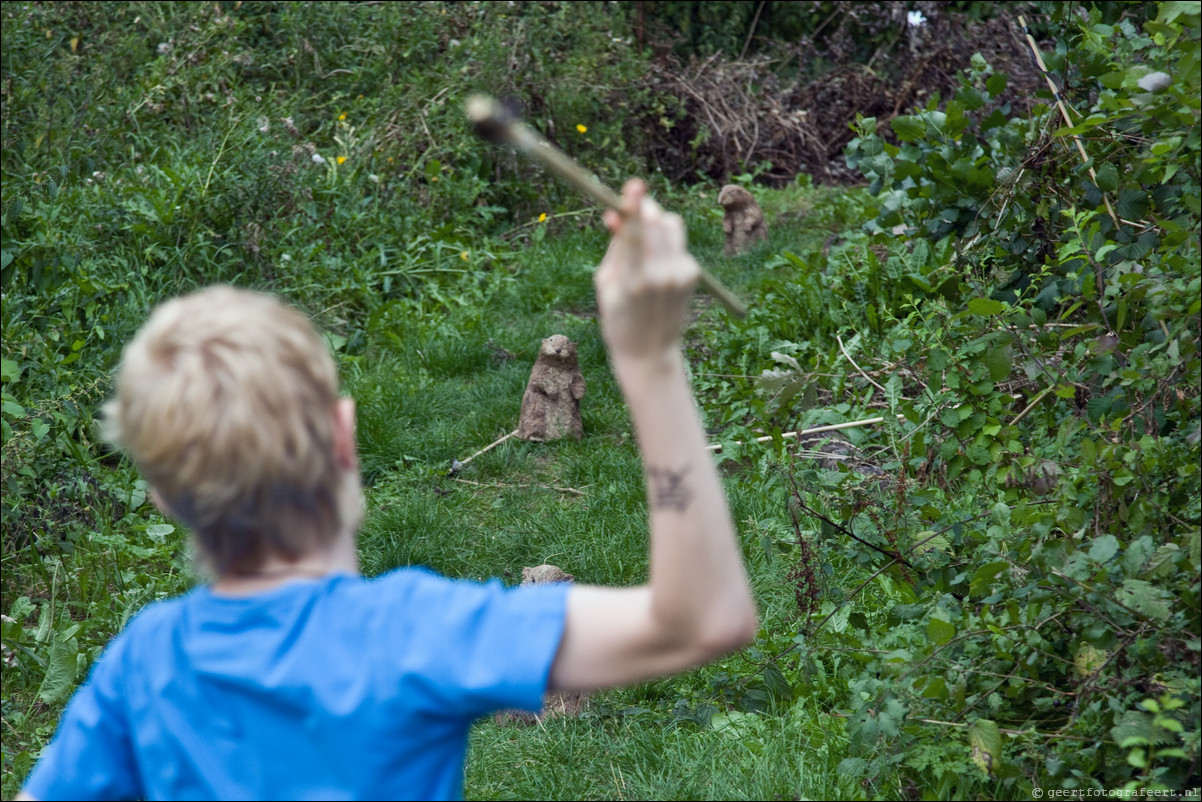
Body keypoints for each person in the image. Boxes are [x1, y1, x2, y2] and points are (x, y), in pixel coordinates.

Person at [18, 179, 758, 801]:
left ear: (161, 498)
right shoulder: (413, 633)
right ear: (344, 438)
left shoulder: (141, 665)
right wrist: (652, 362)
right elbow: (702, 619)